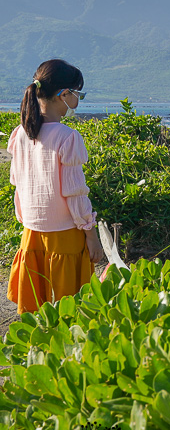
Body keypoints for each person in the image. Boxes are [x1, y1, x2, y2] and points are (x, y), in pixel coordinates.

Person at [6, 59, 105, 315]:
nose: (78, 101)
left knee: (35, 313)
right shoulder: (68, 137)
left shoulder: (20, 134)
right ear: (64, 94)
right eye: (78, 94)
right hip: (65, 236)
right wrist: (90, 234)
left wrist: (28, 220)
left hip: (31, 233)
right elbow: (75, 194)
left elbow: (18, 185)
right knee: (69, 312)